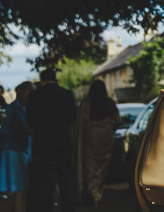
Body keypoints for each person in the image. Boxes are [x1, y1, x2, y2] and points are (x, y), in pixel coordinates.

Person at [26, 68, 77, 212]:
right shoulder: (67, 94)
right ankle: (68, 207)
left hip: (42, 143)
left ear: (42, 80)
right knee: (65, 177)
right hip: (62, 141)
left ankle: (45, 206)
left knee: (43, 179)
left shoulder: (34, 96)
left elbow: (29, 119)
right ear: (55, 79)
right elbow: (73, 117)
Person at [76, 79, 119, 207]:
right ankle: (98, 193)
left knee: (91, 167)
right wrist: (110, 129)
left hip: (92, 137)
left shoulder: (87, 104)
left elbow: (83, 124)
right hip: (106, 137)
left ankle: (94, 194)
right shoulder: (110, 103)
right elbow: (118, 121)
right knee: (102, 168)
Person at [0, 81, 36, 212]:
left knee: (21, 188)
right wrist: (23, 131)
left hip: (22, 149)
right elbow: (2, 130)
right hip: (13, 151)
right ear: (22, 92)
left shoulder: (26, 108)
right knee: (20, 188)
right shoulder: (11, 108)